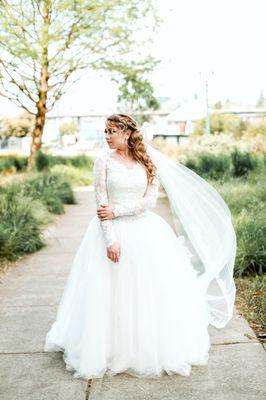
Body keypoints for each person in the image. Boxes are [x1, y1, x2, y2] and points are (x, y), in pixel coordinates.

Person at [44, 113, 236, 379]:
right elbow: (101, 205)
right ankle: (110, 346)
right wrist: (111, 240)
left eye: (112, 131)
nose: (107, 136)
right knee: (110, 293)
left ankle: (145, 345)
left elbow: (149, 201)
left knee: (149, 291)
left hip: (146, 230)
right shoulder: (103, 162)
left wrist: (117, 210)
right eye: (105, 132)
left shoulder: (148, 161)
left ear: (126, 133)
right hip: (112, 234)